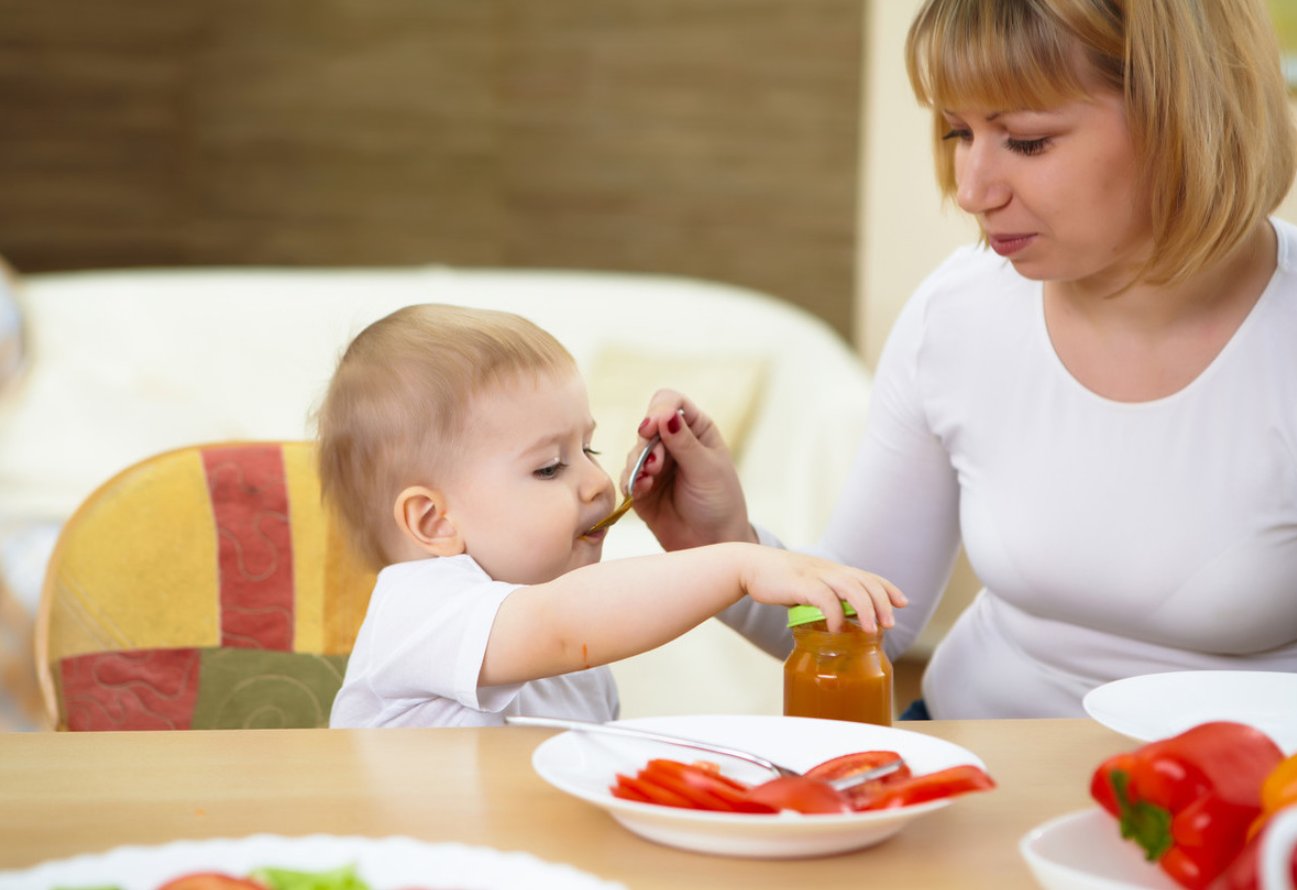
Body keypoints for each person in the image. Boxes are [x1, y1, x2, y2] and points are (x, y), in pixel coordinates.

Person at [622, 0, 1297, 719]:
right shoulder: (958, 313)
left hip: (1226, 803)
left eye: (1028, 141)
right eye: (957, 131)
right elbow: (859, 627)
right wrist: (725, 545)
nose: (973, 190)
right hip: (967, 761)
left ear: (1181, 122)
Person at [317, 304, 905, 728]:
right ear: (433, 522)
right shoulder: (418, 607)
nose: (598, 482)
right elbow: (560, 624)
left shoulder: (577, 672)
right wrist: (739, 565)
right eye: (550, 467)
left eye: (589, 450)